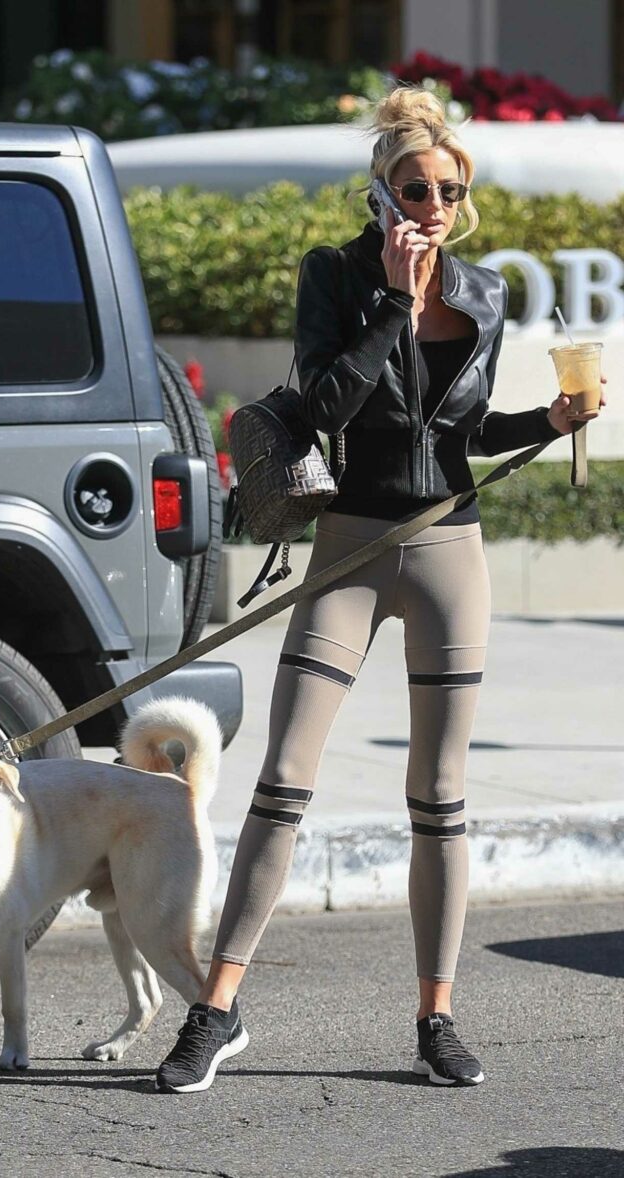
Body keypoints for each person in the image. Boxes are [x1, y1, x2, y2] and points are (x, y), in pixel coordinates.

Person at [156, 86, 605, 1093]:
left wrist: (552, 419)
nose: (433, 203)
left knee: (439, 799)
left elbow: (464, 433)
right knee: (283, 784)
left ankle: (435, 1017)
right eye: (415, 187)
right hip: (352, 549)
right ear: (381, 192)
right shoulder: (338, 277)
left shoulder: (485, 294)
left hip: (450, 549)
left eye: (449, 188)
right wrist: (395, 304)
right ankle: (218, 1006)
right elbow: (321, 403)